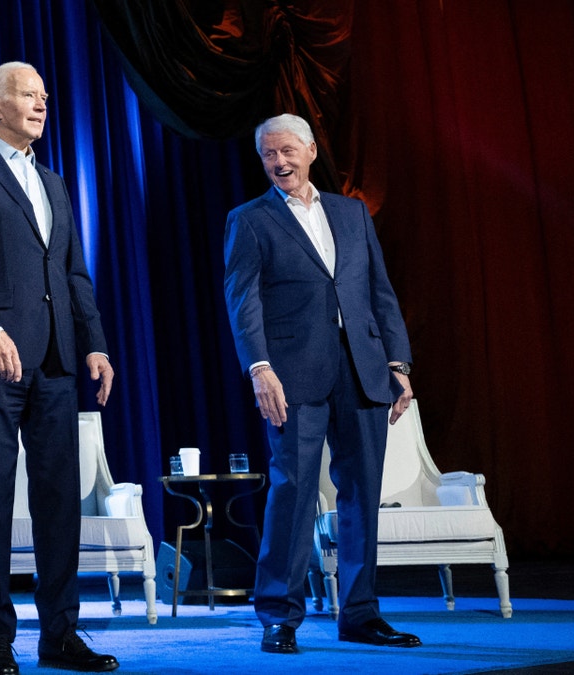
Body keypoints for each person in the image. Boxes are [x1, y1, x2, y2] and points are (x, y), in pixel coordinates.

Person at [0, 61, 119, 675]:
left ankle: (60, 634)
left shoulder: (55, 182)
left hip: (58, 361)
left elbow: (72, 272)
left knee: (61, 500)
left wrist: (94, 343)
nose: (41, 104)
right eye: (27, 95)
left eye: (44, 95)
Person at [223, 113, 421, 654]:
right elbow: (244, 302)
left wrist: (398, 366)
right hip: (293, 376)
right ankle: (279, 616)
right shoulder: (250, 219)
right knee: (293, 492)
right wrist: (260, 369)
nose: (279, 163)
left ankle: (360, 613)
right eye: (268, 155)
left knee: (362, 496)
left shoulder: (351, 212)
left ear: (310, 151)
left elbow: (380, 293)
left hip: (361, 369)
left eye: (287, 151)